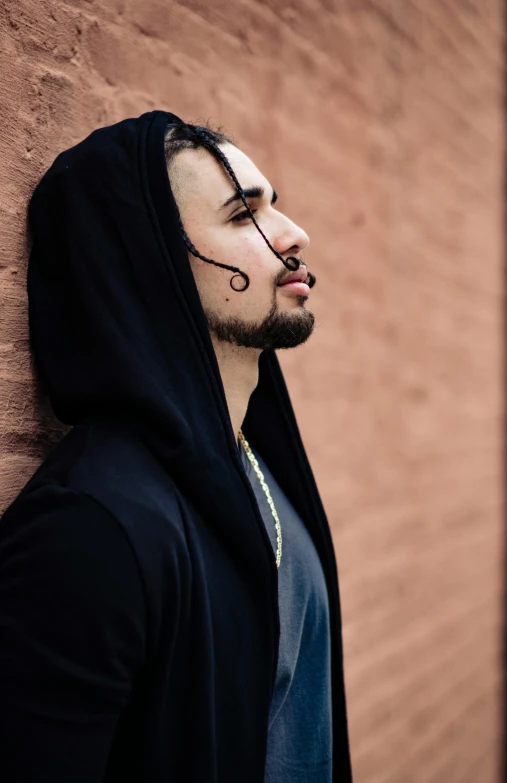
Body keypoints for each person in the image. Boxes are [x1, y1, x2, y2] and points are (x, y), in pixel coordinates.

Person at [0, 110, 352, 782]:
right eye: (242, 214)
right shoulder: (90, 528)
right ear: (153, 261)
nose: (292, 232)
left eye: (273, 205)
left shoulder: (260, 469)